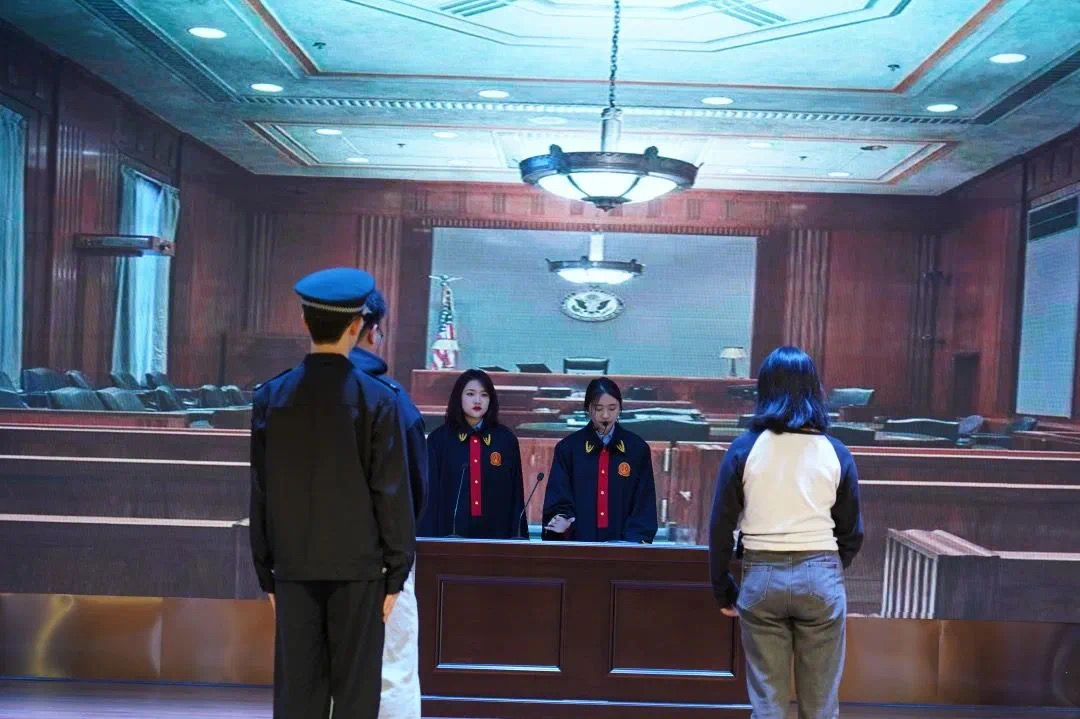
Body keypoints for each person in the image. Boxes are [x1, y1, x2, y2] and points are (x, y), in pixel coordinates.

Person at [250, 267, 416, 719]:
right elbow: (391, 494)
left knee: (297, 698)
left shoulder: (270, 397)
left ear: (304, 321)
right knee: (356, 697)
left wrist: (266, 572)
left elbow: (261, 492)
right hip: (359, 573)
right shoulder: (378, 399)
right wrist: (397, 573)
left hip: (293, 569)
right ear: (357, 326)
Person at [708, 346, 863, 719]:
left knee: (768, 705)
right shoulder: (836, 452)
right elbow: (852, 531)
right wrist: (827, 567)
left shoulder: (744, 449)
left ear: (765, 389)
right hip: (820, 575)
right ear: (814, 389)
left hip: (761, 576)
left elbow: (720, 526)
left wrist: (723, 589)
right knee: (820, 707)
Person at [349, 289, 426, 719]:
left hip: (307, 561)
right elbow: (415, 489)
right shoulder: (393, 399)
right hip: (381, 556)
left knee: (322, 670)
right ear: (372, 332)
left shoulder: (284, 395)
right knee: (392, 669)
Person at [541, 377, 657, 543]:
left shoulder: (637, 449)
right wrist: (562, 521)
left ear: (620, 408)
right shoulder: (568, 449)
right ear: (588, 409)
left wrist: (631, 546)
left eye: (612, 408)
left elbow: (644, 506)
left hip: (624, 549)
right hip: (579, 546)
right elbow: (558, 499)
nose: (605, 415)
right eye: (598, 408)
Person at [421, 369, 526, 538]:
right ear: (458, 397)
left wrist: (518, 540)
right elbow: (430, 499)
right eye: (470, 394)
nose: (478, 400)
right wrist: (428, 542)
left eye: (484, 395)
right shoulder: (438, 440)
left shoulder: (506, 440)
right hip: (450, 535)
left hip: (496, 535)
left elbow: (516, 498)